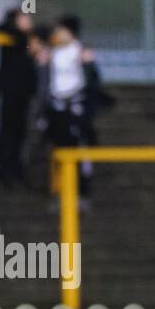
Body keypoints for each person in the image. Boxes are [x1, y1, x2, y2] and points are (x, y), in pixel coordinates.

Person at [44, 15, 112, 203]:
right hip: (58, 107)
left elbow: (92, 80)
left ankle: (82, 191)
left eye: (61, 30)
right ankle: (60, 191)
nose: (57, 34)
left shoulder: (80, 52)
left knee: (79, 150)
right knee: (59, 149)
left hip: (76, 107)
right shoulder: (53, 52)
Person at [0, 8, 37, 185]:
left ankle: (17, 168)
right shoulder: (9, 34)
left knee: (20, 131)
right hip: (10, 91)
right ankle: (5, 168)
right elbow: (5, 31)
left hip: (24, 92)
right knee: (8, 131)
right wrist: (24, 31)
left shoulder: (27, 38)